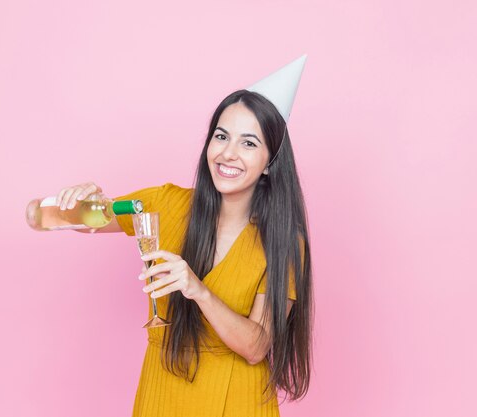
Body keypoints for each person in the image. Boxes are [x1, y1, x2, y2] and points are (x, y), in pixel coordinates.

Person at [55, 59, 313, 416]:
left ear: (270, 162)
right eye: (221, 136)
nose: (227, 153)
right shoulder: (165, 203)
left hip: (236, 399)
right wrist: (80, 204)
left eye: (248, 143)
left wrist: (198, 290)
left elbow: (257, 345)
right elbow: (90, 220)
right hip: (164, 392)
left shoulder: (284, 241)